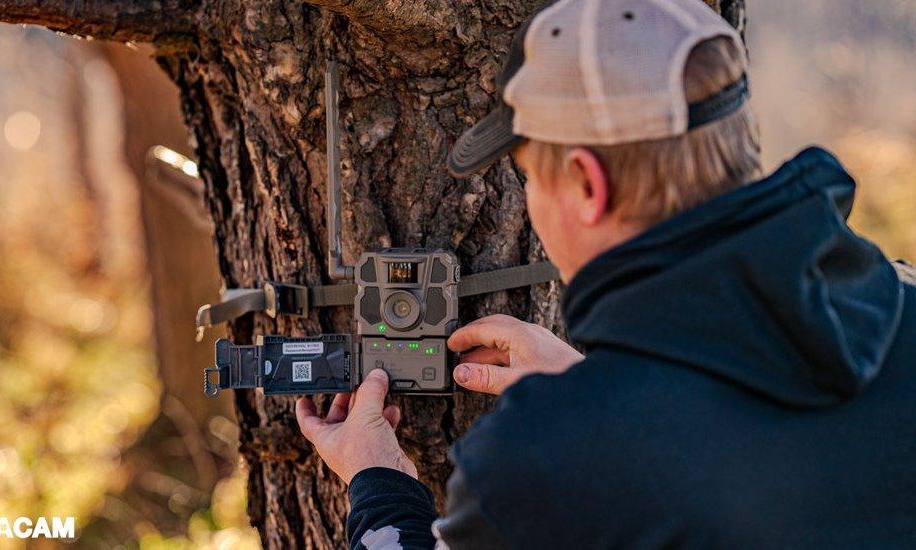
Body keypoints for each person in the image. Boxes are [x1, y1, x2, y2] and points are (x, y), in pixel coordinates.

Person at [295, 0, 916, 547]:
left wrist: (379, 484)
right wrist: (603, 386)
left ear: (589, 185)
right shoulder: (903, 304)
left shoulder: (542, 461)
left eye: (532, 177)